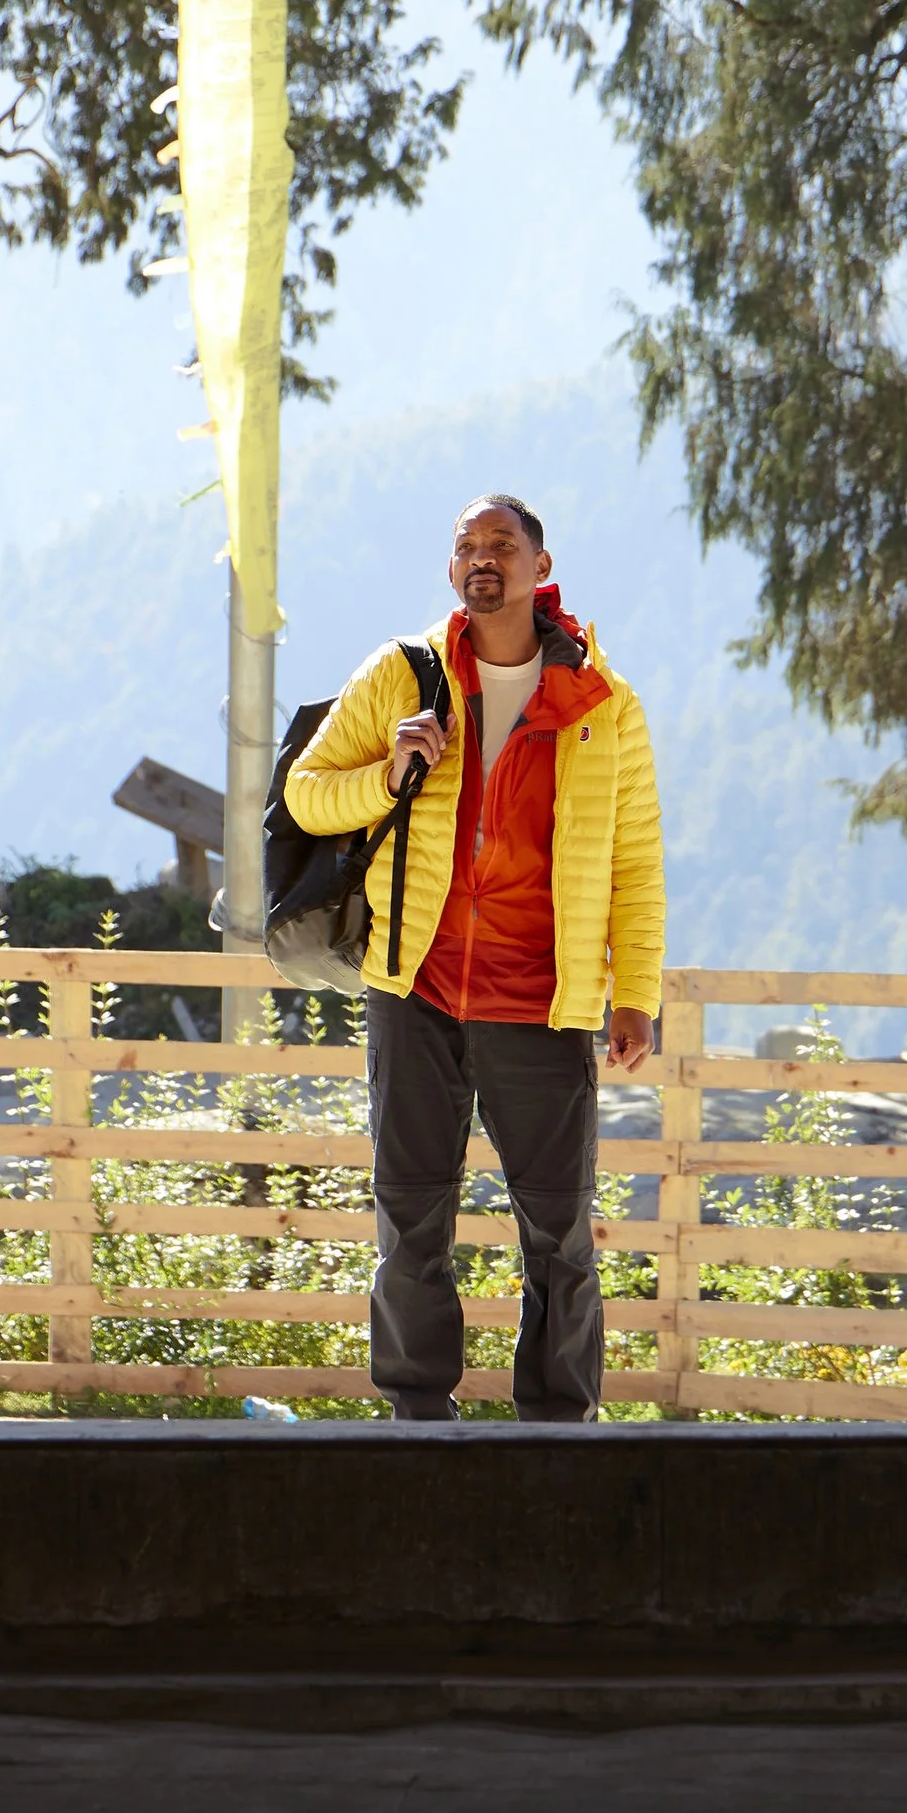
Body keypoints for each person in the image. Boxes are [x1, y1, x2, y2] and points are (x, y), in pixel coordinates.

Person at [283, 494, 665, 1424]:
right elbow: (305, 795)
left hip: (541, 998)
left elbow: (636, 860)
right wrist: (388, 774)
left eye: (502, 543)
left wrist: (636, 994)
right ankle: (418, 1415)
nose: (481, 557)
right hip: (414, 989)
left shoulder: (603, 705)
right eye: (466, 546)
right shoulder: (403, 676)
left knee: (560, 1229)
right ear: (453, 570)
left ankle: (558, 1425)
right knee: (410, 1217)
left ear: (541, 567)